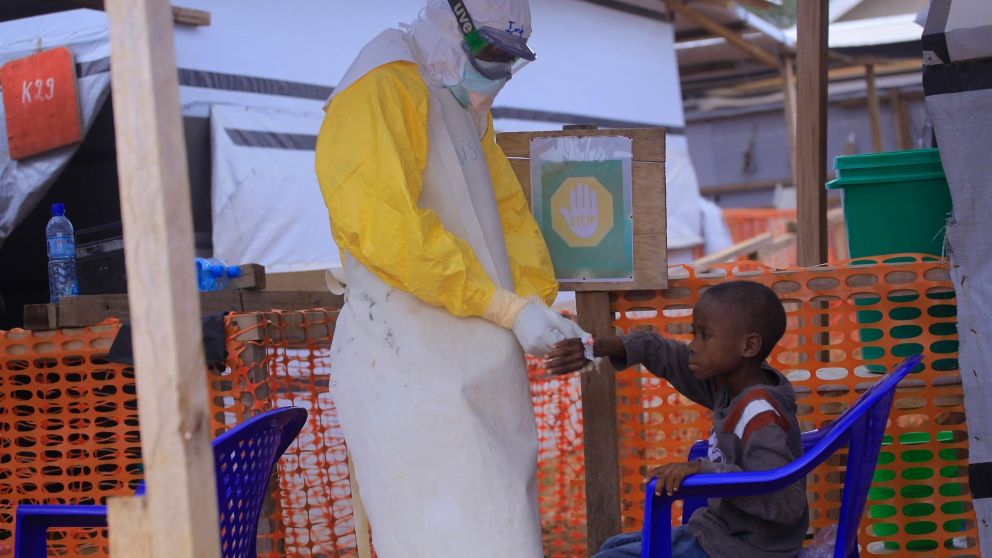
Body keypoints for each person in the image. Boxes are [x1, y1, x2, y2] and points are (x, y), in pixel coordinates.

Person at [314, 1, 586, 556]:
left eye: (510, 60)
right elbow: (389, 232)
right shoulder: (382, 83)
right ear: (448, 26)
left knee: (504, 535)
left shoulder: (459, 101)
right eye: (489, 53)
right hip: (411, 372)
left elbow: (506, 216)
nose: (495, 73)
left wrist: (536, 304)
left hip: (480, 372)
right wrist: (507, 309)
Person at [547, 280, 808, 558]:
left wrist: (702, 472)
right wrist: (598, 347)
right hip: (719, 531)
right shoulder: (729, 384)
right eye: (694, 334)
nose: (693, 346)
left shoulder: (760, 412)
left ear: (749, 345)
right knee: (613, 547)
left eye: (705, 336)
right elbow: (660, 351)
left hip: (748, 549)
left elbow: (784, 500)